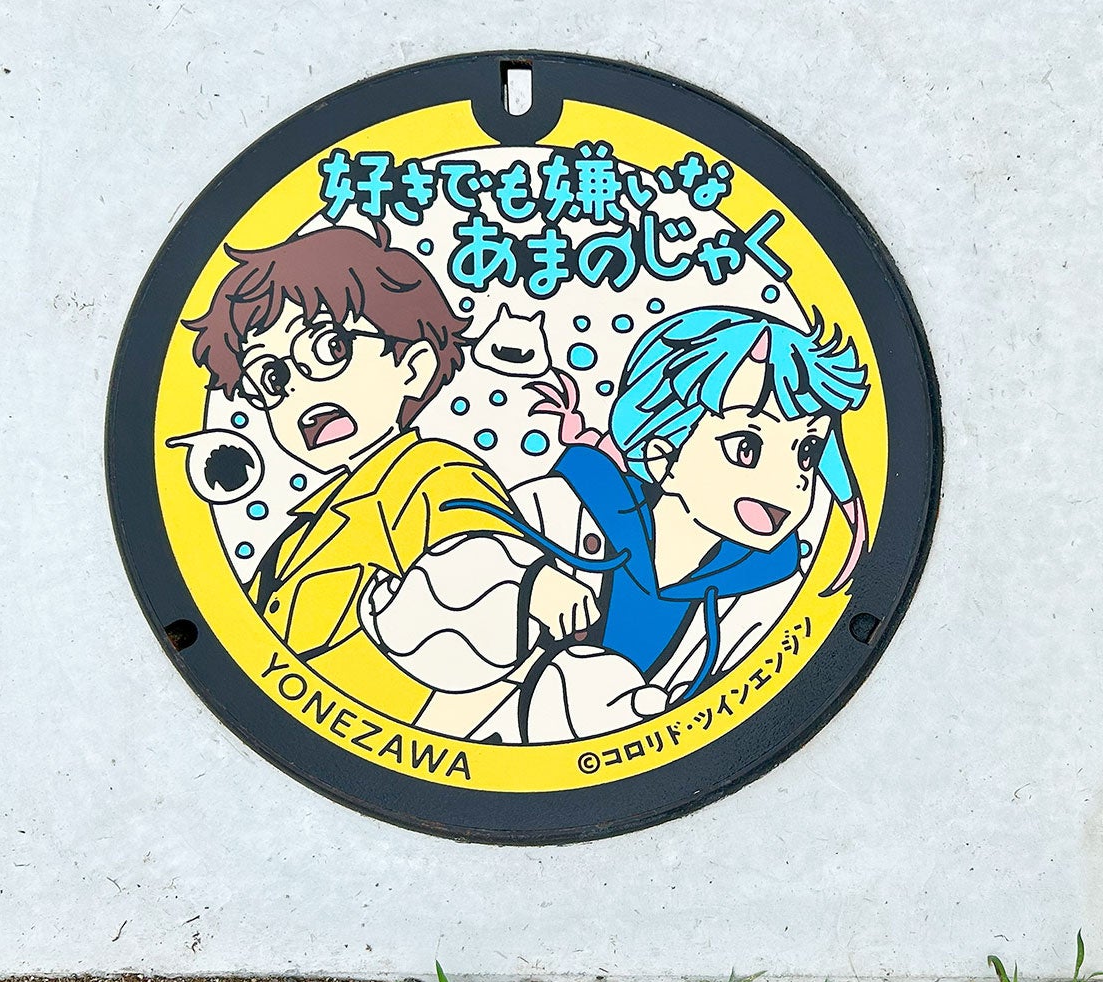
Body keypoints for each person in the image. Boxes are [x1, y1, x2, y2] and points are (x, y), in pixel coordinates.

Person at [374, 306, 874, 744]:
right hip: (468, 748)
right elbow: (421, 612)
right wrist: (529, 585)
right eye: (746, 448)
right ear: (662, 456)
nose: (788, 483)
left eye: (806, 452)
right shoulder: (564, 509)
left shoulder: (766, 592)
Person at [184, 222, 525, 724]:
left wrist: (538, 589)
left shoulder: (432, 473)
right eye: (272, 377)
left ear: (414, 367)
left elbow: (493, 568)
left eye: (328, 349)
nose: (298, 392)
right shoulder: (294, 538)